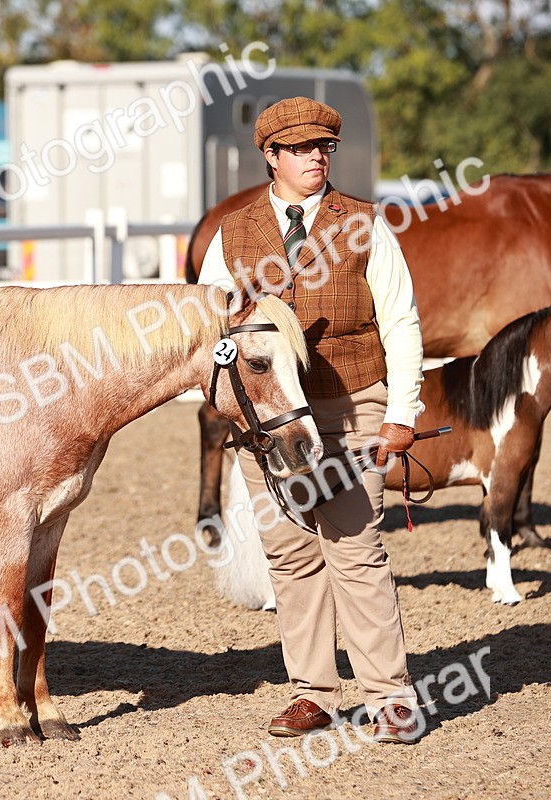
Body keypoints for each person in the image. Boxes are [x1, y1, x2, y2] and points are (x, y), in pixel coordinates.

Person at [196, 97, 425, 743]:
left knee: (355, 549)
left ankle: (390, 697)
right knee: (292, 556)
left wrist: (402, 412)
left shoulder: (366, 224)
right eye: (300, 149)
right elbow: (206, 321)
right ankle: (314, 695)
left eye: (323, 147)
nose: (316, 158)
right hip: (269, 421)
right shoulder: (233, 232)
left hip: (352, 403)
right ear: (270, 156)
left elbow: (401, 321)